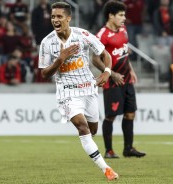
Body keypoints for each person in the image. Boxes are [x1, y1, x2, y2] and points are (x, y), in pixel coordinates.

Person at [38, 2, 118, 181]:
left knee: (92, 130)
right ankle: (106, 169)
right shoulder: (47, 42)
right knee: (82, 126)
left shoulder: (82, 35)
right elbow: (44, 73)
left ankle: (90, 145)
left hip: (88, 89)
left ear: (68, 18)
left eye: (59, 16)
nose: (55, 20)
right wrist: (60, 59)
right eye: (53, 17)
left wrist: (106, 72)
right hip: (66, 92)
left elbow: (106, 55)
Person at [92, 0, 146, 159]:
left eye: (124, 15)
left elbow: (124, 52)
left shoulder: (123, 29)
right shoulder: (102, 35)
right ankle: (108, 151)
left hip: (127, 79)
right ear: (111, 15)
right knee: (111, 116)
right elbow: (95, 59)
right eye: (121, 15)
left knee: (130, 114)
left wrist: (131, 70)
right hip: (112, 81)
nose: (124, 18)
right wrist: (111, 73)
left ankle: (128, 148)